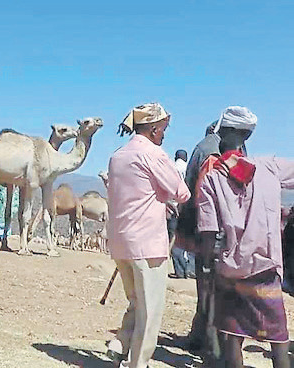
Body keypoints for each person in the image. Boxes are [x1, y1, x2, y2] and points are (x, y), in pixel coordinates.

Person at [197, 106, 293, 368]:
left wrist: (207, 266)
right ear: (247, 137)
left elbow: (207, 231)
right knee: (278, 337)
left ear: (223, 133)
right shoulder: (270, 166)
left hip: (232, 270)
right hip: (267, 268)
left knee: (232, 336)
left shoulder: (211, 177)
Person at [106, 103, 191, 368]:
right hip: (147, 243)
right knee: (150, 309)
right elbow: (181, 192)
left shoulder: (118, 155)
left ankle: (119, 343)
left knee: (136, 300)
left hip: (121, 241)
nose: (164, 135)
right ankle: (138, 363)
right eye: (163, 129)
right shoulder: (153, 154)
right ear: (153, 129)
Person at [178, 115, 251, 357]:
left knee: (207, 289)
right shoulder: (235, 154)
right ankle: (214, 345)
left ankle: (205, 341)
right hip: (226, 234)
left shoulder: (203, 148)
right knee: (218, 292)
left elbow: (189, 189)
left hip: (209, 231)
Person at [169, 149, 196, 279]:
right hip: (190, 207)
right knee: (189, 239)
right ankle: (190, 269)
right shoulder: (189, 167)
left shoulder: (172, 168)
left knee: (175, 240)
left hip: (174, 207)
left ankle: (180, 271)